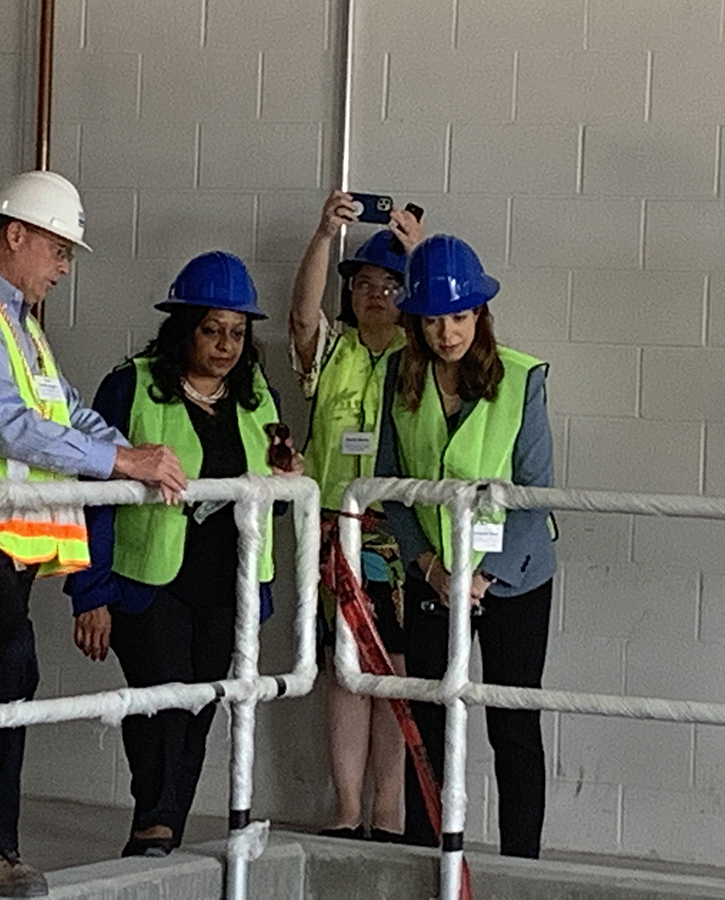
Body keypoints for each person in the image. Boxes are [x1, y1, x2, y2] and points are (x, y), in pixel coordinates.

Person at [0, 169, 186, 898]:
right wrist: (119, 460)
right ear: (14, 235)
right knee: (6, 663)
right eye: (59, 251)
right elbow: (6, 424)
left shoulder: (15, 320)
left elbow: (67, 413)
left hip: (1, 537)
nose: (62, 269)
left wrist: (130, 456)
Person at [66, 251, 302, 858]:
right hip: (147, 582)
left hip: (229, 587)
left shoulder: (258, 398)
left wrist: (283, 480)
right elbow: (92, 495)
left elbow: (271, 509)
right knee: (159, 701)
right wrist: (89, 594)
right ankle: (154, 827)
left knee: (200, 705)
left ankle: (161, 829)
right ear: (183, 327)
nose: (225, 345)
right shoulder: (131, 385)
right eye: (211, 329)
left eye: (237, 333)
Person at [374, 234, 556, 859]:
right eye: (432, 320)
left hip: (515, 577)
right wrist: (428, 568)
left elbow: (537, 492)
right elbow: (391, 489)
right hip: (432, 574)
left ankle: (520, 865)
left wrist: (483, 576)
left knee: (513, 722)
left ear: (480, 315)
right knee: (429, 721)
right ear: (415, 322)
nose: (447, 333)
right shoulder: (397, 375)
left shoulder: (522, 378)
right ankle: (427, 858)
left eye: (459, 316)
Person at [289, 191, 422, 841]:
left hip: (401, 538)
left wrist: (419, 252)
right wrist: (322, 236)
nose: (375, 294)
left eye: (391, 284)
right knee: (344, 672)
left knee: (393, 671)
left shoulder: (422, 353)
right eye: (365, 283)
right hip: (335, 533)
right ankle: (346, 810)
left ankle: (389, 810)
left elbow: (466, 325)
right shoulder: (333, 348)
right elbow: (301, 314)